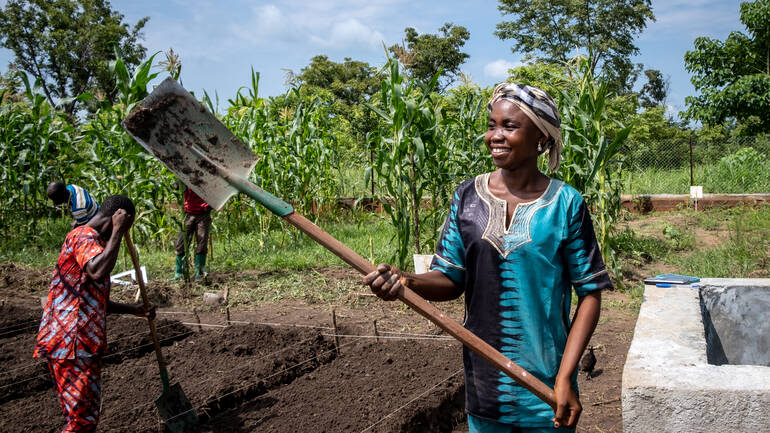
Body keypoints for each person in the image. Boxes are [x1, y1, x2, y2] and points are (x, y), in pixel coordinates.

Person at [363, 83, 610, 433]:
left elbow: (590, 294)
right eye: (492, 125)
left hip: (547, 392)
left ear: (541, 137)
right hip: (484, 387)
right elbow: (450, 278)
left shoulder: (565, 204)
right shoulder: (467, 197)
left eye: (509, 127)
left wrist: (566, 377)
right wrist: (406, 280)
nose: (495, 135)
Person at [33, 194, 155, 433]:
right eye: (123, 227)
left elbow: (94, 300)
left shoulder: (94, 243)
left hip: (81, 343)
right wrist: (119, 231)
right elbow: (98, 271)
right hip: (72, 343)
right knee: (82, 423)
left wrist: (136, 310)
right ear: (116, 219)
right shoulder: (82, 236)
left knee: (82, 419)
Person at [173, 186, 212, 280]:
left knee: (202, 242)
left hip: (203, 214)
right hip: (188, 214)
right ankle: (179, 272)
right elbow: (176, 186)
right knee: (181, 242)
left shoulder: (207, 177)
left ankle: (199, 271)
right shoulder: (187, 174)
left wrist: (210, 206)